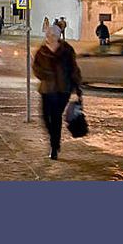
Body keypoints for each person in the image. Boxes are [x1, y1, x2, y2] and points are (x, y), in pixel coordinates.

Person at [32, 18, 83, 160]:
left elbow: (74, 69)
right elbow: (36, 68)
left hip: (62, 89)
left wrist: (77, 87)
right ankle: (54, 139)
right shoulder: (41, 51)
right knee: (44, 117)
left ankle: (54, 146)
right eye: (48, 35)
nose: (49, 38)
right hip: (46, 89)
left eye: (52, 36)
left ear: (58, 36)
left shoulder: (66, 50)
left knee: (55, 117)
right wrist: (46, 75)